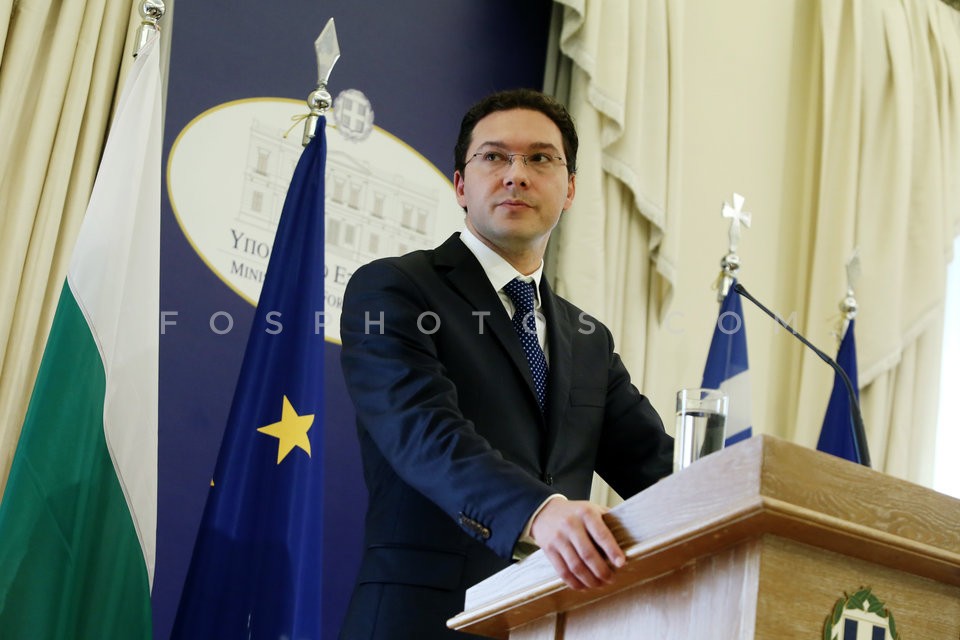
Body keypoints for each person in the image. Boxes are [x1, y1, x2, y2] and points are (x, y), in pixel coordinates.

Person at [338, 88, 674, 639]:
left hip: (554, 622)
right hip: (423, 621)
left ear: (569, 189)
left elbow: (655, 467)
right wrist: (540, 511)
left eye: (540, 158)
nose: (516, 175)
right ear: (460, 185)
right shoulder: (395, 289)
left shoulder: (587, 339)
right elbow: (423, 433)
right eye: (494, 156)